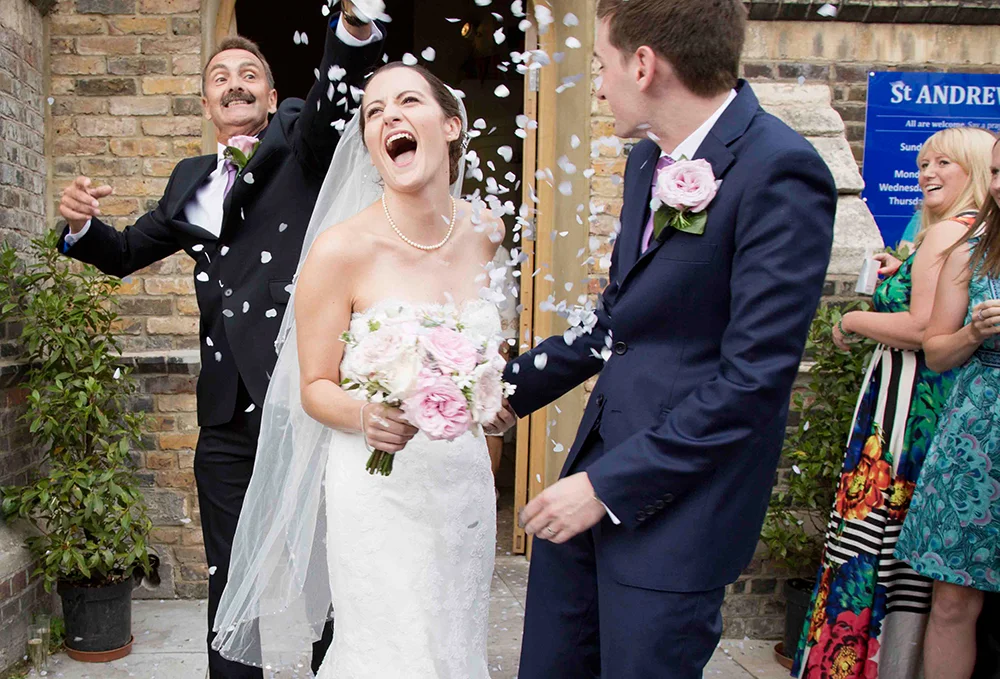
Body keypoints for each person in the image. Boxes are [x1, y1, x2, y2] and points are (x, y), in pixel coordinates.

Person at [487, 0, 836, 676]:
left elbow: (754, 381)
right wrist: (501, 389)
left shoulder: (780, 171)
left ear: (643, 65)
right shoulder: (649, 163)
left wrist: (607, 485)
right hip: (589, 493)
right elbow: (620, 321)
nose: (597, 83)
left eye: (601, 64)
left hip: (677, 518)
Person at [54, 6, 385, 677]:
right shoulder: (190, 181)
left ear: (269, 94)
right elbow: (122, 252)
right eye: (219, 76)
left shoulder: (299, 137)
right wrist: (84, 227)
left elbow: (332, 98)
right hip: (227, 415)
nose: (233, 83)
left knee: (329, 569)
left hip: (306, 398)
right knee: (231, 579)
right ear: (206, 102)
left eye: (248, 75)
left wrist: (352, 30)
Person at [211, 63, 506, 678]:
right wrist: (369, 414)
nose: (388, 117)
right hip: (377, 487)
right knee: (389, 652)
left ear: (451, 126)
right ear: (369, 143)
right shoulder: (341, 248)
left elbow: (489, 360)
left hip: (462, 484)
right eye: (373, 111)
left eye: (407, 102)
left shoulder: (486, 232)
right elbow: (314, 387)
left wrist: (491, 410)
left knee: (454, 645)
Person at [793, 126, 997, 679]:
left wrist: (853, 319)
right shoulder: (968, 234)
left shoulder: (950, 235)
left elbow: (922, 327)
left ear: (976, 170)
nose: (928, 173)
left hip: (909, 408)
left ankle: (859, 665)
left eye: (944, 164)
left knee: (879, 538)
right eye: (924, 162)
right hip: (935, 401)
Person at [896, 135, 1000, 679]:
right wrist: (973, 334)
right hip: (978, 437)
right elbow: (935, 350)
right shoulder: (973, 250)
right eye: (999, 173)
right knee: (955, 600)